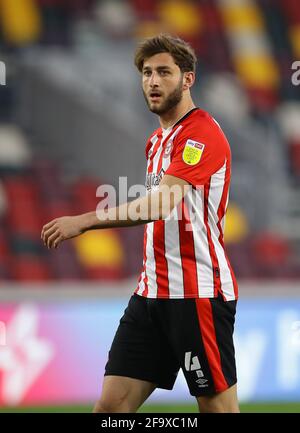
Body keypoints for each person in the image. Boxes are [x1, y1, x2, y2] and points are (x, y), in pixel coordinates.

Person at [41, 34, 239, 413]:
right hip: (150, 296)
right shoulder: (156, 140)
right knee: (111, 409)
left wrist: (84, 221)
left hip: (195, 296)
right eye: (146, 73)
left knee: (218, 411)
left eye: (164, 72)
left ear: (188, 79)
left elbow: (159, 205)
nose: (152, 81)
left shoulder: (201, 134)